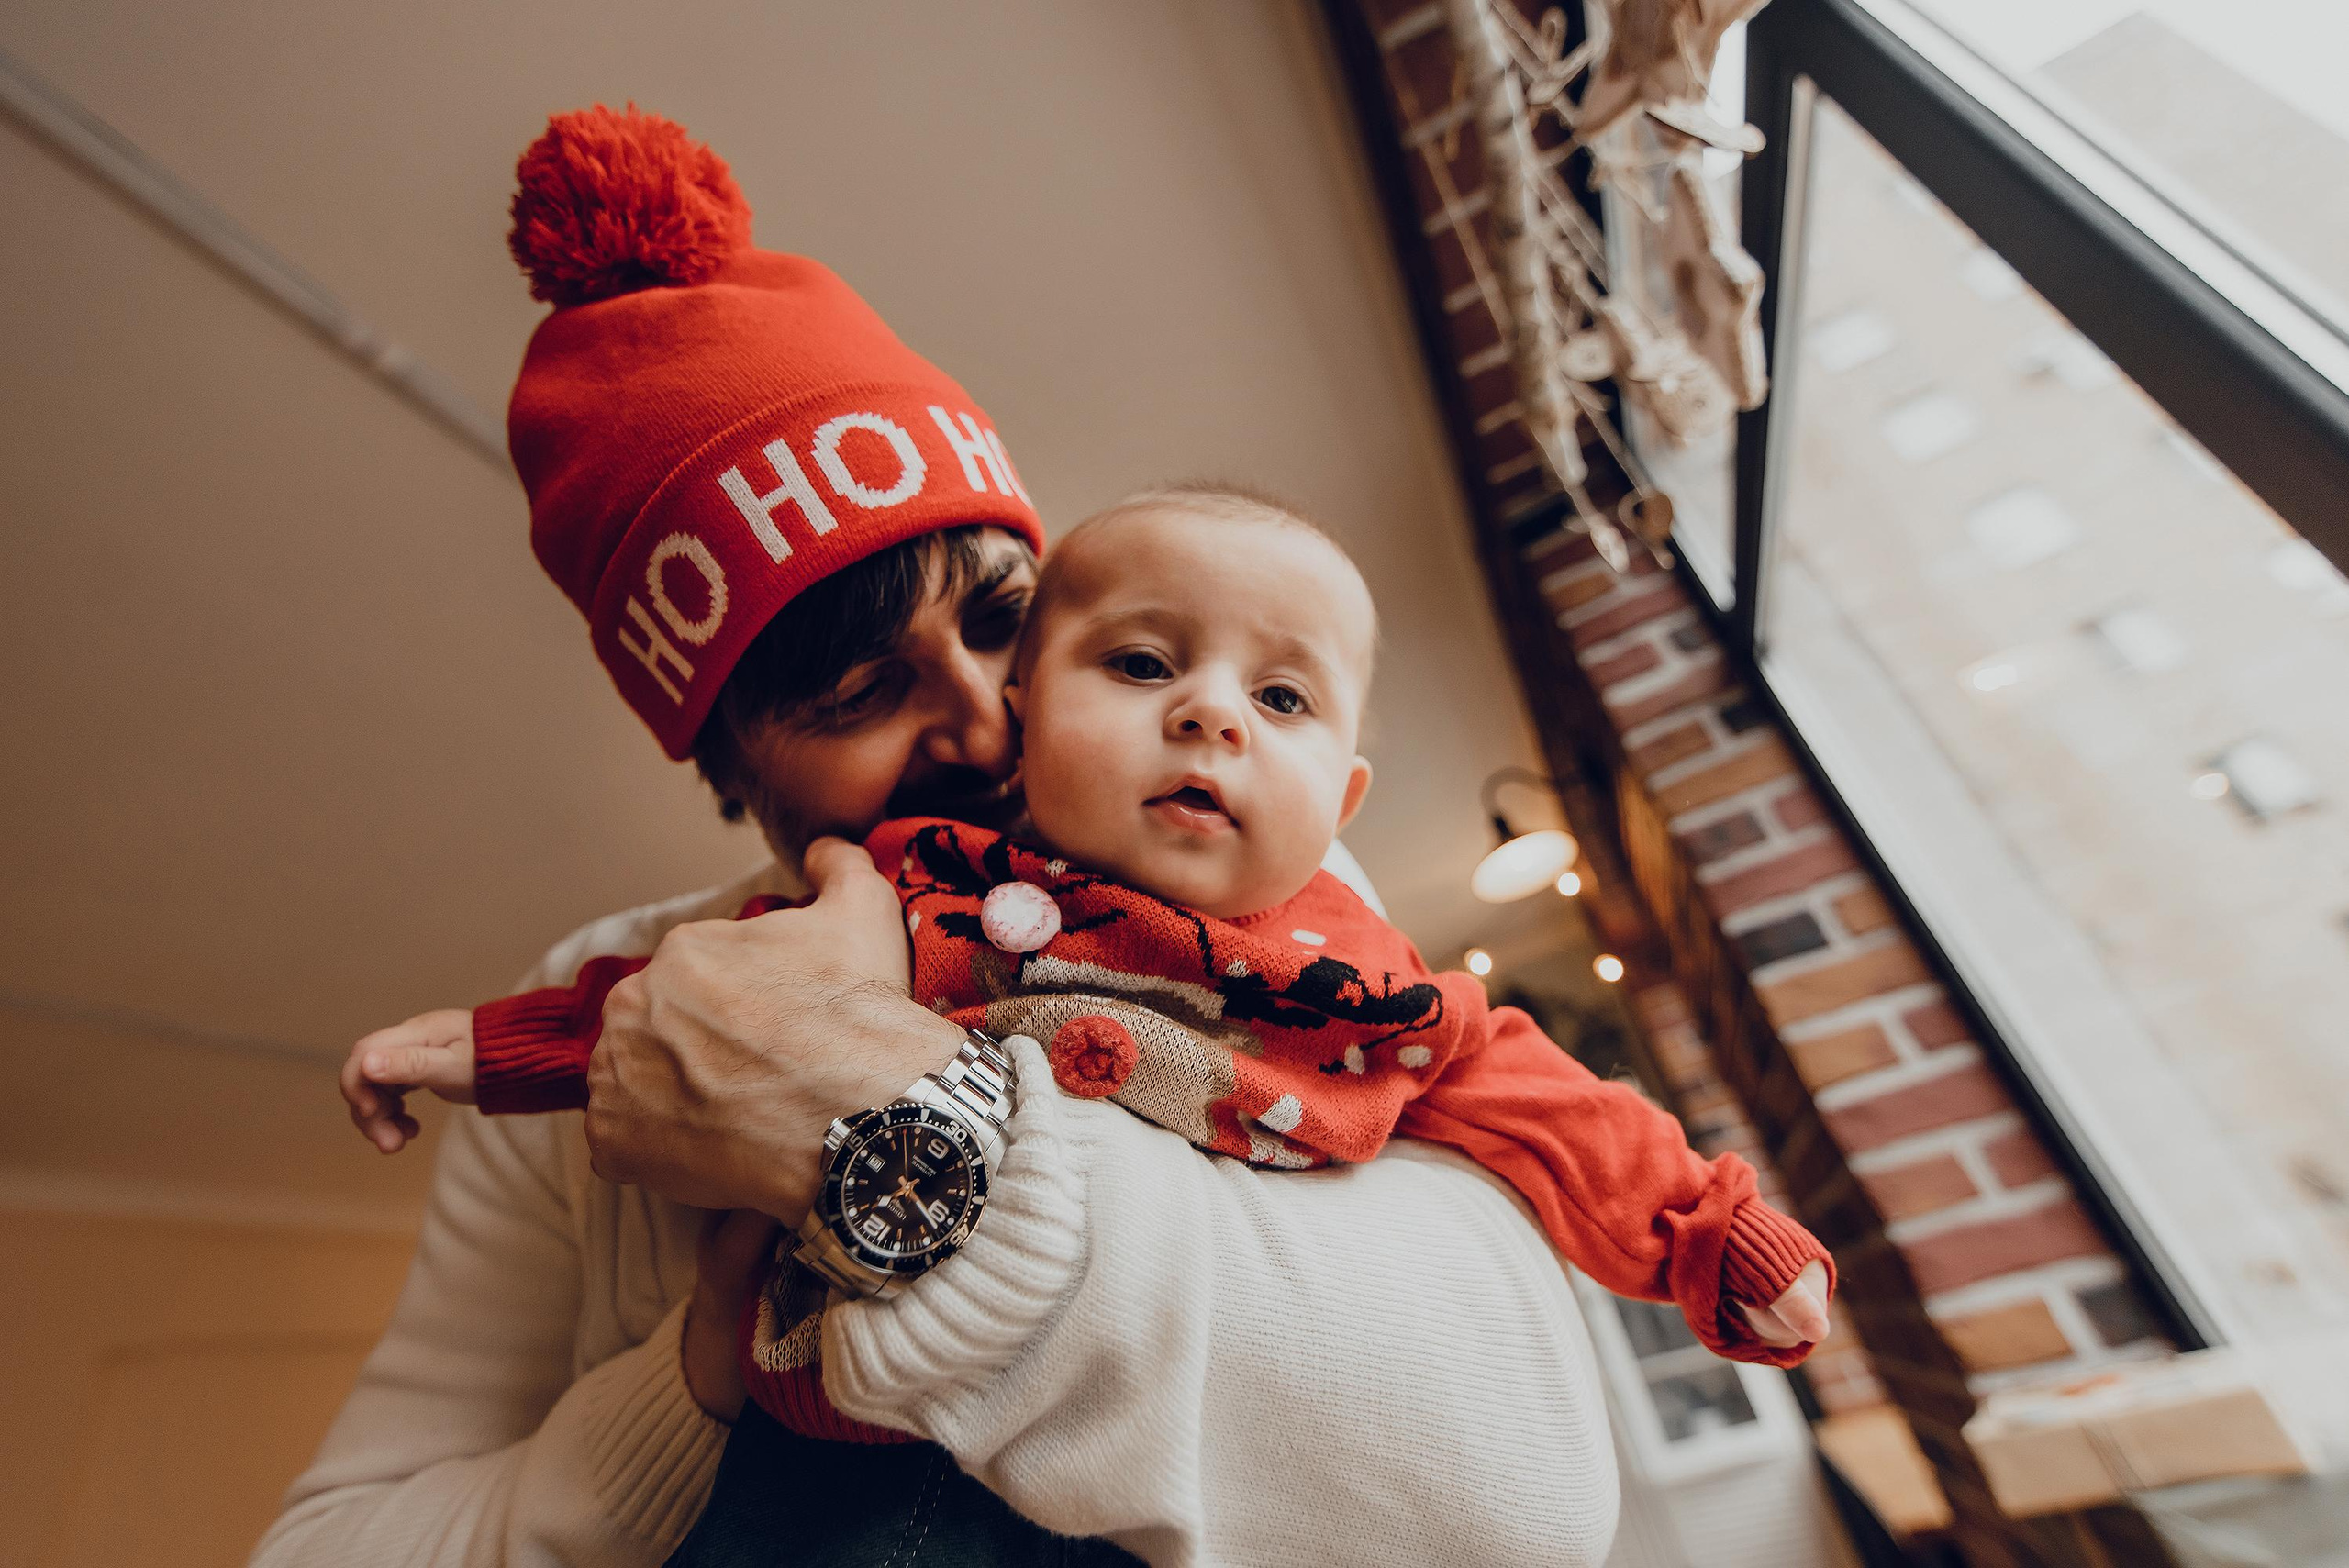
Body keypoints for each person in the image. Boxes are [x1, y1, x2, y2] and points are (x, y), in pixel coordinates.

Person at [258, 106, 1627, 1568]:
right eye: (861, 690)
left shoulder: (1272, 904)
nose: (984, 726)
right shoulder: (625, 986)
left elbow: (1522, 1505)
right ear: (731, 769)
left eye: (1003, 622)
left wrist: (869, 1121)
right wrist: (693, 1374)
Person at [350, 486, 1835, 1451]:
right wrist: (482, 1048)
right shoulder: (920, 892)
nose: (1212, 718)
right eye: (1139, 667)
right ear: (729, 758)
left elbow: (1562, 1117)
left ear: (1348, 795)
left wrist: (1716, 1237)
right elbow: (657, 1008)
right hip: (840, 1451)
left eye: (1279, 696)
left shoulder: (1355, 969)